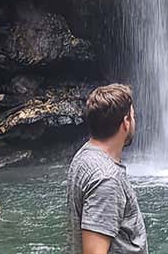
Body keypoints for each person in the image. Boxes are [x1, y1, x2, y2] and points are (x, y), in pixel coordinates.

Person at [67, 84, 148, 254]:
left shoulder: (84, 156)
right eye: (133, 116)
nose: (134, 121)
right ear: (125, 122)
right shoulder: (107, 179)